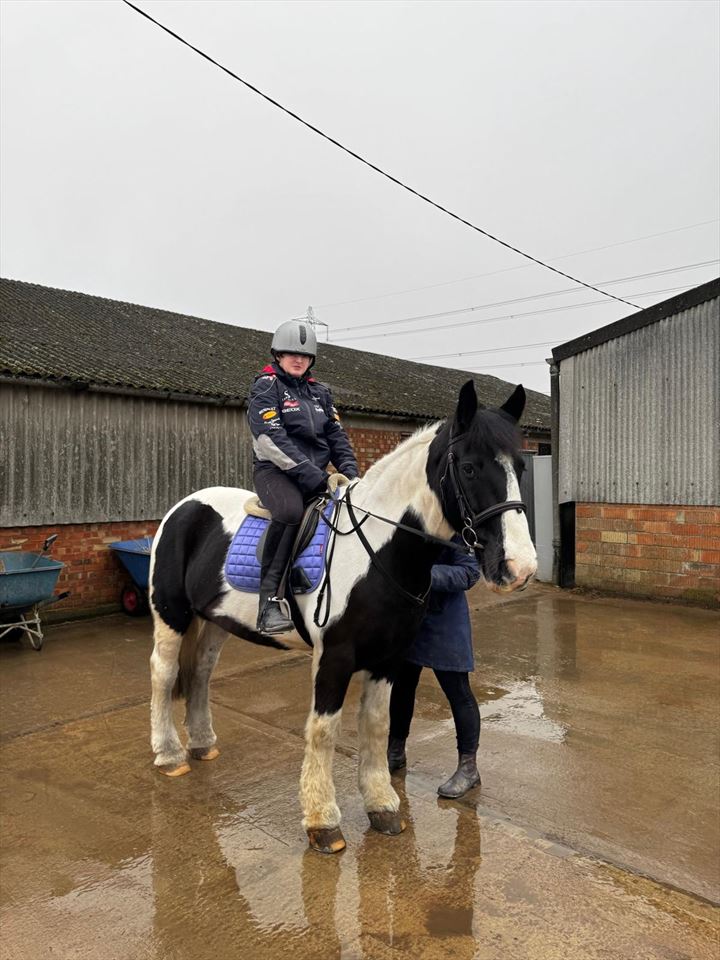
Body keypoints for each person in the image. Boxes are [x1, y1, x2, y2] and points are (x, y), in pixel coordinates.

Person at [248, 318, 359, 635]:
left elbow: (337, 438)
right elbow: (271, 440)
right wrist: (315, 477)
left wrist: (351, 476)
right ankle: (268, 602)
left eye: (305, 356)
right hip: (276, 472)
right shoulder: (266, 388)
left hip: (317, 475)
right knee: (289, 511)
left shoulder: (320, 393)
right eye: (291, 354)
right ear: (278, 355)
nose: (298, 360)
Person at [387, 538, 482, 798]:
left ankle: (469, 769)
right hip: (410, 617)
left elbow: (469, 572)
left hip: (446, 620)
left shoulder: (456, 527)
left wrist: (422, 575)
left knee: (458, 692)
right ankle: (395, 752)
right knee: (402, 687)